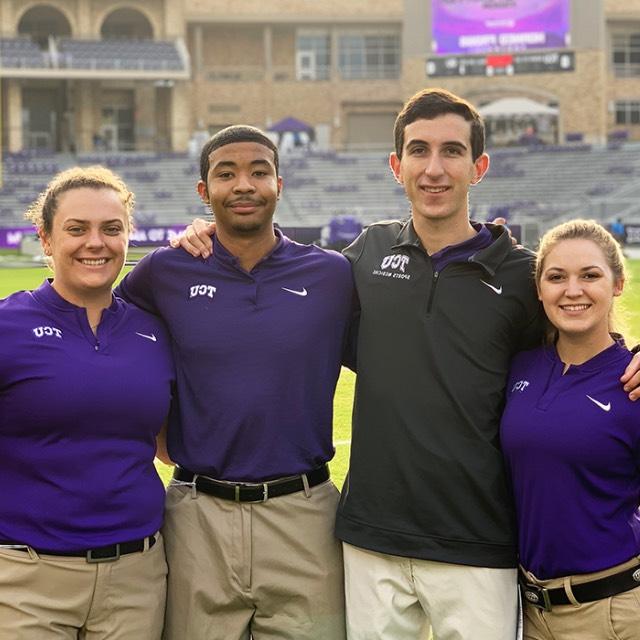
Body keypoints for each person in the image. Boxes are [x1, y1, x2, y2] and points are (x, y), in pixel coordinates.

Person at [177, 90, 640, 639]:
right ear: (397, 166)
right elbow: (272, 293)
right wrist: (209, 234)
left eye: (452, 151)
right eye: (418, 151)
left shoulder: (519, 275)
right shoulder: (364, 256)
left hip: (479, 541)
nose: (435, 168)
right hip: (372, 538)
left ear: (479, 166)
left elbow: (580, 334)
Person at [115, 125, 352, 640]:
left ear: (279, 184)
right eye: (227, 174)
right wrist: (153, 428)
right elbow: (113, 346)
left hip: (304, 516)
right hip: (198, 515)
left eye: (258, 172)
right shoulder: (164, 271)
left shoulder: (332, 274)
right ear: (204, 192)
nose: (243, 184)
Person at [0, 166, 175, 639]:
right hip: (26, 582)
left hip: (136, 580)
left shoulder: (155, 331)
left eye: (111, 229)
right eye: (76, 229)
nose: (95, 242)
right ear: (47, 239)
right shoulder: (7, 327)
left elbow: (167, 446)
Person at [501, 220, 640, 640]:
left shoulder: (632, 381)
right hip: (529, 612)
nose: (572, 290)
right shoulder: (519, 366)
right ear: (539, 290)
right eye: (556, 277)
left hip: (612, 613)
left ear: (617, 284)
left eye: (590, 275)